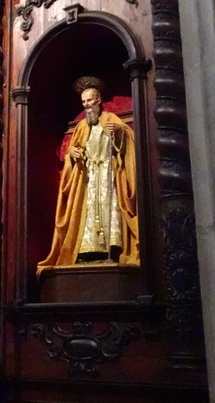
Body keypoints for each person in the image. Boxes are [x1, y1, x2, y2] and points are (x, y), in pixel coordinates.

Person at [38, 78, 139, 271]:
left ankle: (112, 251)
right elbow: (73, 151)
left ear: (99, 100)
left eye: (90, 101)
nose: (86, 105)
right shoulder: (82, 127)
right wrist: (72, 154)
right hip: (88, 178)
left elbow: (126, 142)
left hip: (108, 175)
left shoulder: (111, 120)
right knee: (88, 215)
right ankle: (88, 252)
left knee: (109, 211)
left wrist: (118, 133)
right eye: (83, 102)